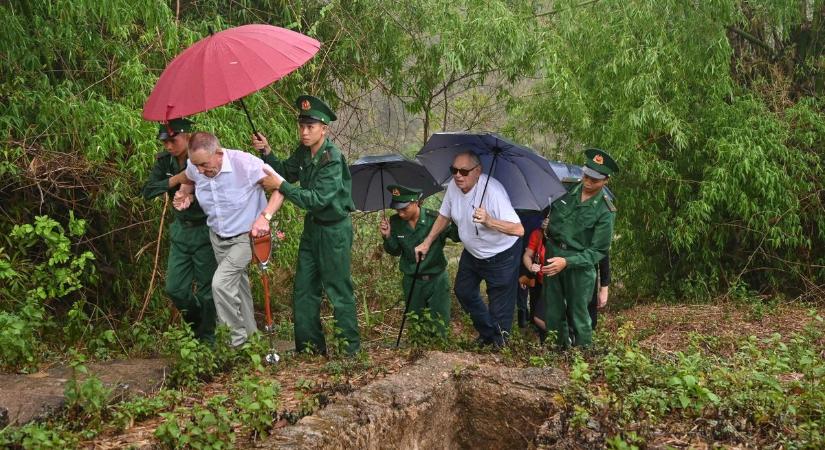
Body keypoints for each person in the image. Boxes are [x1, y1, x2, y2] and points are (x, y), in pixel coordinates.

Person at [251, 95, 360, 355]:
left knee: (337, 289)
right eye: (302, 126)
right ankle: (310, 348)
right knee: (304, 288)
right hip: (313, 228)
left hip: (334, 229)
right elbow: (286, 172)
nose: (304, 132)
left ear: (324, 128)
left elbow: (318, 199)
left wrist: (282, 186)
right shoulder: (303, 151)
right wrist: (267, 152)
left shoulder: (332, 158)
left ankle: (350, 350)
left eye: (311, 127)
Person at [173, 131, 285, 347]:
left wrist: (265, 217)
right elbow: (188, 179)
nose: (200, 170)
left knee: (221, 285)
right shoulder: (196, 167)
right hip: (218, 237)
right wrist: (185, 194)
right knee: (239, 287)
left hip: (246, 237)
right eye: (197, 166)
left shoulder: (245, 163)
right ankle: (253, 341)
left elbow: (281, 188)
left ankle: (237, 343)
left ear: (218, 153)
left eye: (205, 164)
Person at [414, 152, 524, 348]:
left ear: (477, 171)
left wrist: (490, 221)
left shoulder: (493, 192)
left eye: (464, 171)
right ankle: (487, 333)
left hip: (501, 256)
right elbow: (443, 216)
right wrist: (427, 242)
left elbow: (518, 229)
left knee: (500, 305)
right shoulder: (454, 188)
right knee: (463, 291)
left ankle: (500, 346)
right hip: (473, 254)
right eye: (454, 170)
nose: (458, 175)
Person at [141, 118, 217, 343]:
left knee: (207, 292)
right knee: (175, 289)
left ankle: (207, 342)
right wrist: (178, 179)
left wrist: (191, 187)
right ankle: (198, 327)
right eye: (165, 142)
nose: (168, 146)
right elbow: (147, 191)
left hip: (204, 230)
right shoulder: (165, 162)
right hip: (181, 232)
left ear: (187, 136)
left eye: (172, 141)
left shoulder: (204, 157)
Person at [541, 148, 618, 348]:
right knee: (553, 312)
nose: (589, 181)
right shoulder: (565, 188)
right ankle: (559, 353)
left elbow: (598, 251)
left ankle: (583, 358)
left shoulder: (605, 209)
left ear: (605, 180)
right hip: (553, 255)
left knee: (579, 315)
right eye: (587, 175)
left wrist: (566, 262)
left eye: (595, 179)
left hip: (579, 266)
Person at [379, 184, 457, 337]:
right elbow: (394, 251)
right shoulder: (395, 222)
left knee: (440, 327)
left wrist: (457, 218)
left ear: (416, 202)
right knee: (416, 327)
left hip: (437, 280)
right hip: (412, 281)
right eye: (397, 209)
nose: (400, 213)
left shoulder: (434, 219)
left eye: (404, 208)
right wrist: (387, 236)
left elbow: (456, 236)